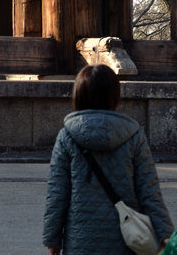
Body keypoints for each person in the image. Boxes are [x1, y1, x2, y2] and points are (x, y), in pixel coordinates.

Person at [44, 64, 173, 254]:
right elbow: (149, 190)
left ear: (78, 95)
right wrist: (165, 234)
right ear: (114, 95)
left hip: (80, 241)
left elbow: (57, 194)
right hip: (127, 240)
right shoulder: (133, 135)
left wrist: (53, 240)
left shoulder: (67, 137)